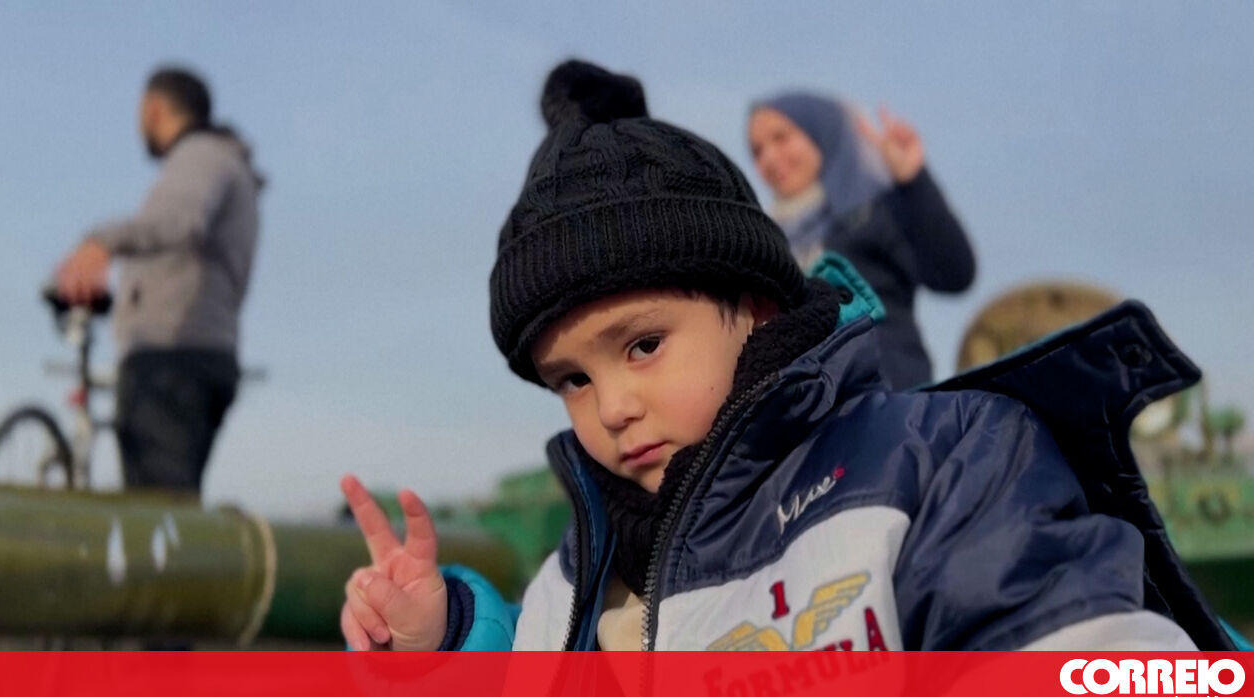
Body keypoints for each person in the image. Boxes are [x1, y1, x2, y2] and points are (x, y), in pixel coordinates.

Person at [339, 60, 1232, 653]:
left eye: (643, 345)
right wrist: (445, 642)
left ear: (759, 305)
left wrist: (910, 179)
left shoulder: (946, 464)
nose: (611, 407)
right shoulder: (575, 574)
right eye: (571, 378)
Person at [55, 67, 261, 495]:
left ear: (154, 109)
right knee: (167, 504)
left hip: (173, 359)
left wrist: (101, 242)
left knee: (158, 514)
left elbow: (179, 220)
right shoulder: (223, 160)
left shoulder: (201, 156)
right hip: (196, 354)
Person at [748, 93, 975, 389]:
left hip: (892, 398)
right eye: (757, 151)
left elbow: (954, 273)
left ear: (822, 132)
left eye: (781, 138)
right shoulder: (767, 244)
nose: (769, 158)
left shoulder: (871, 214)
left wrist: (913, 182)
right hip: (811, 408)